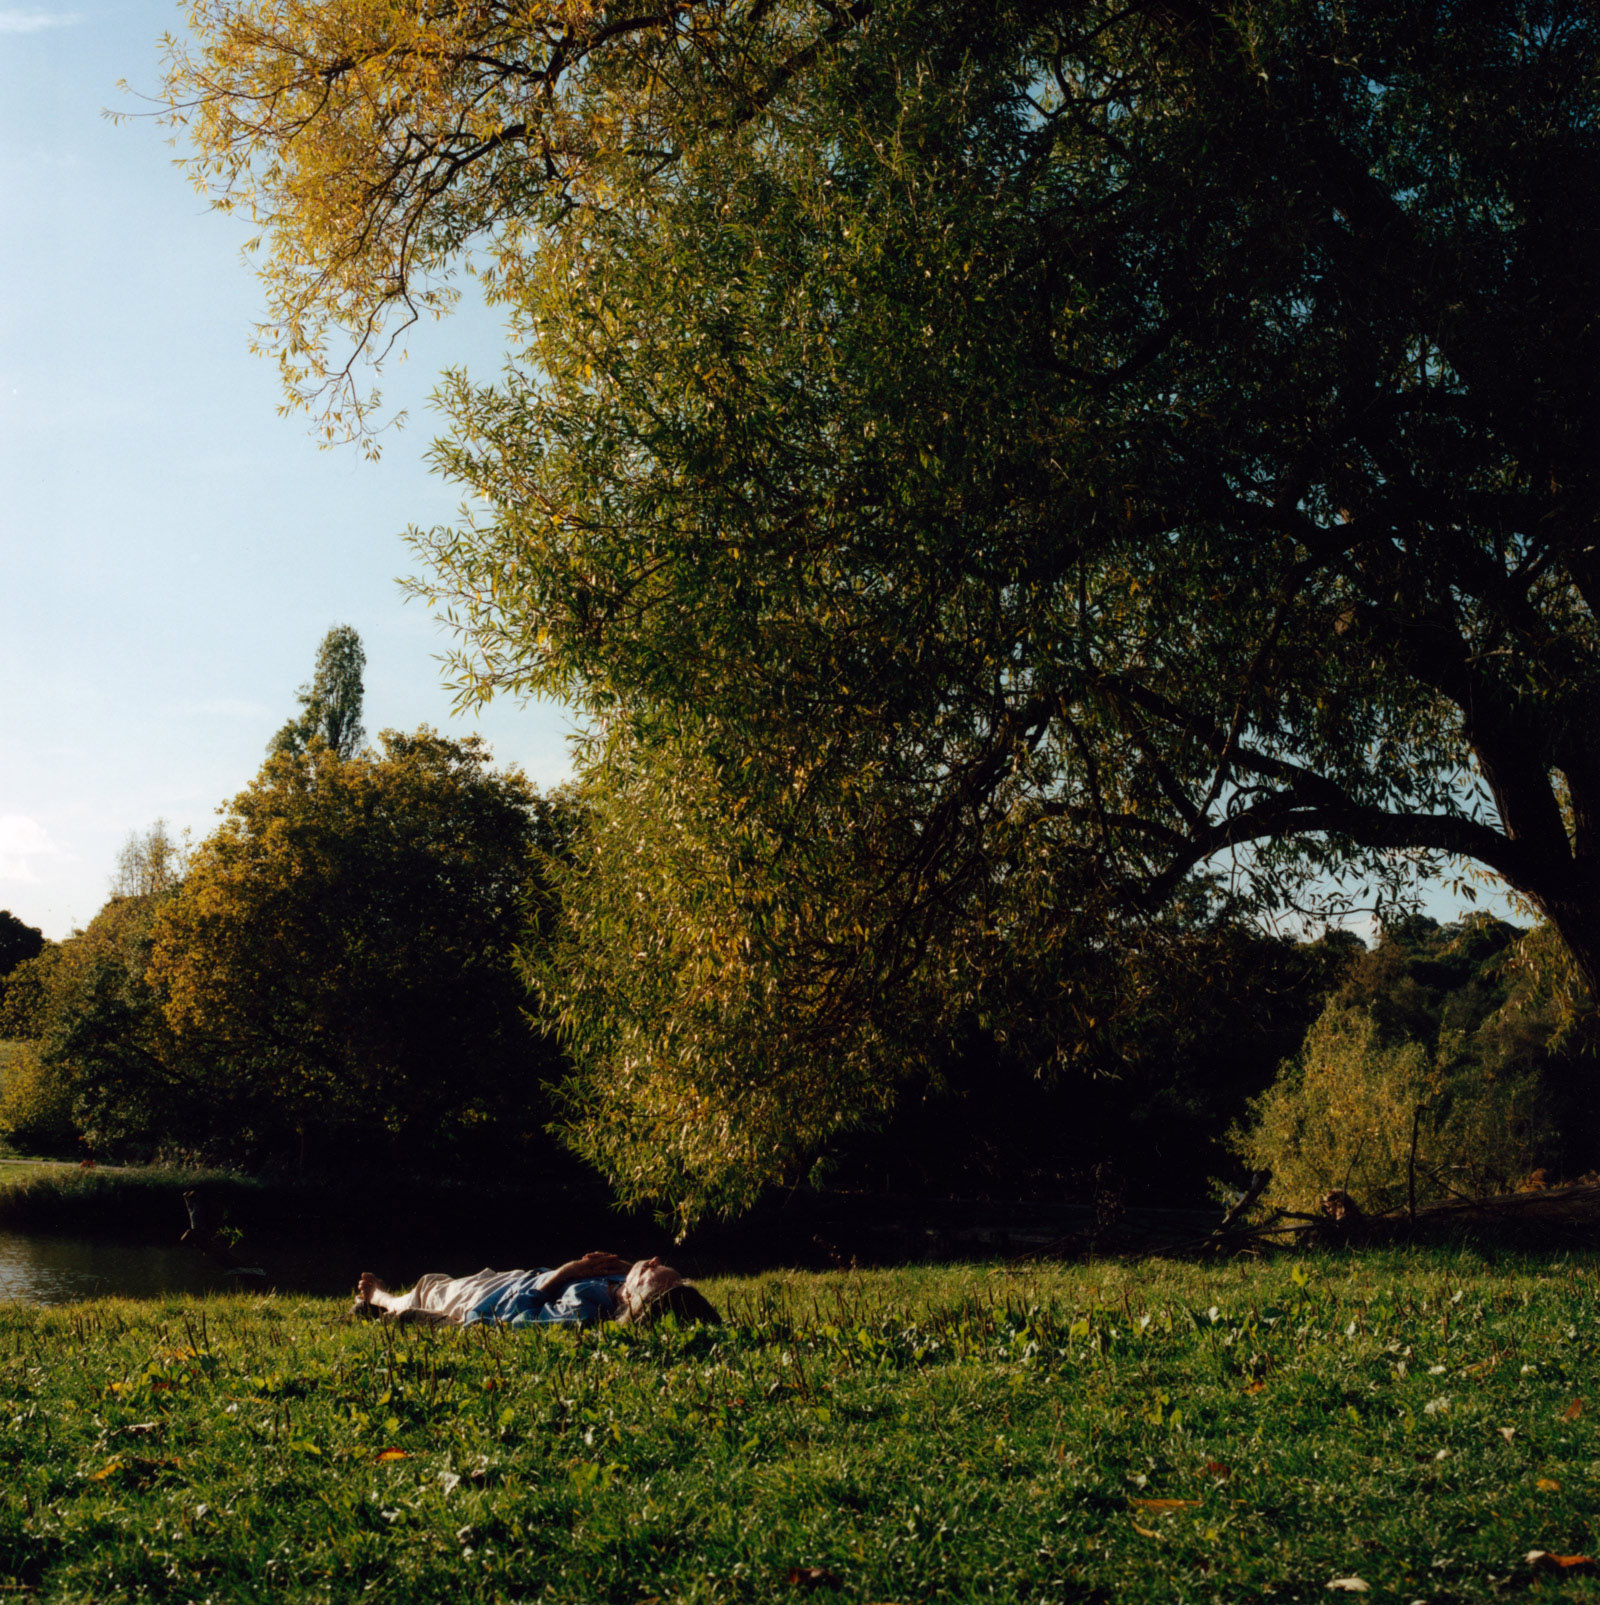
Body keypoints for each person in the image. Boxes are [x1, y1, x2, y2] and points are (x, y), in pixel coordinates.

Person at [351, 1250, 720, 1328]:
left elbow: (504, 1319)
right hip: (509, 1276)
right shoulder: (615, 1285)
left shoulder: (581, 1310)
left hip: (484, 1299)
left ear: (633, 1295)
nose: (652, 1258)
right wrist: (626, 1272)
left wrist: (563, 1273)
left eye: (653, 1269)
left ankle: (377, 1298)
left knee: (427, 1289)